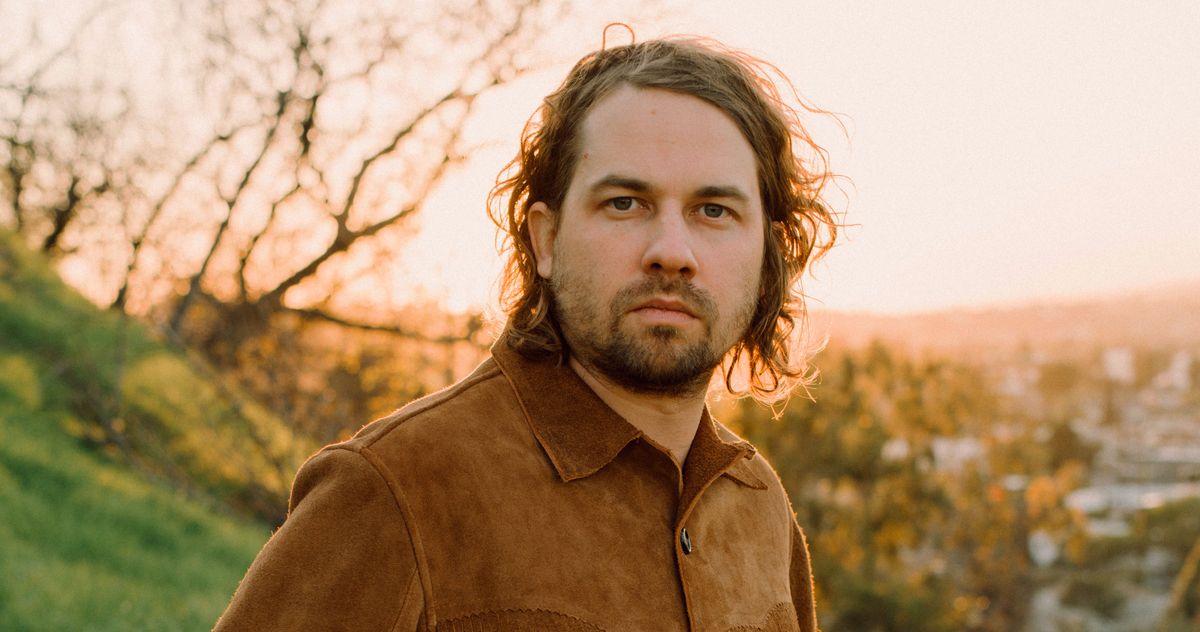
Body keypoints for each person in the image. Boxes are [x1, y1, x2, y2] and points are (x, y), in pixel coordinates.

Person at [215, 33, 838, 632]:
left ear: (765, 257)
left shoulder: (760, 507)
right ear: (545, 238)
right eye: (625, 202)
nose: (672, 252)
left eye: (714, 211)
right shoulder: (399, 487)